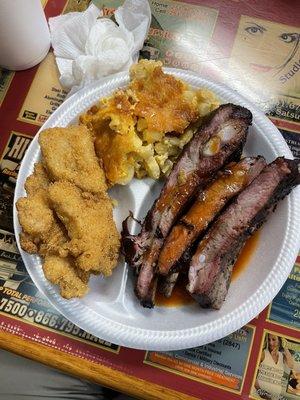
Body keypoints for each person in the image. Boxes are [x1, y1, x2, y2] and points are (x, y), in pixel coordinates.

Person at [254, 333, 294, 400]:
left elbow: (291, 365)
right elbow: (251, 374)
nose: (270, 343)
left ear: (280, 341)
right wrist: (261, 392)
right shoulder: (263, 353)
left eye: (273, 339)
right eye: (269, 339)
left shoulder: (282, 356)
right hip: (259, 396)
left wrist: (285, 347)